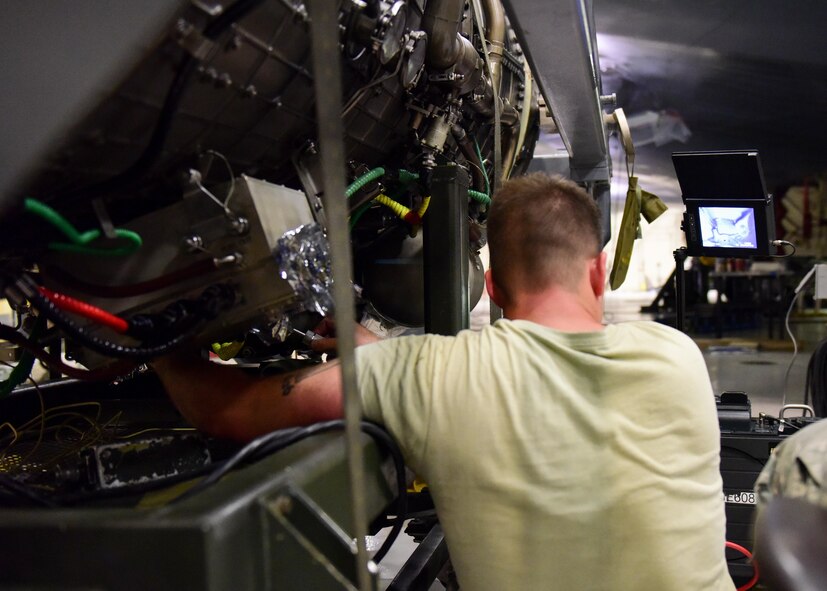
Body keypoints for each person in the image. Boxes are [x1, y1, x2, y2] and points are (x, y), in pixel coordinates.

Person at [153, 173, 734, 590]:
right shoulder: (677, 357)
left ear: (495, 290)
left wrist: (154, 347)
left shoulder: (431, 375)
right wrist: (386, 357)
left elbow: (227, 410)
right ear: (599, 273)